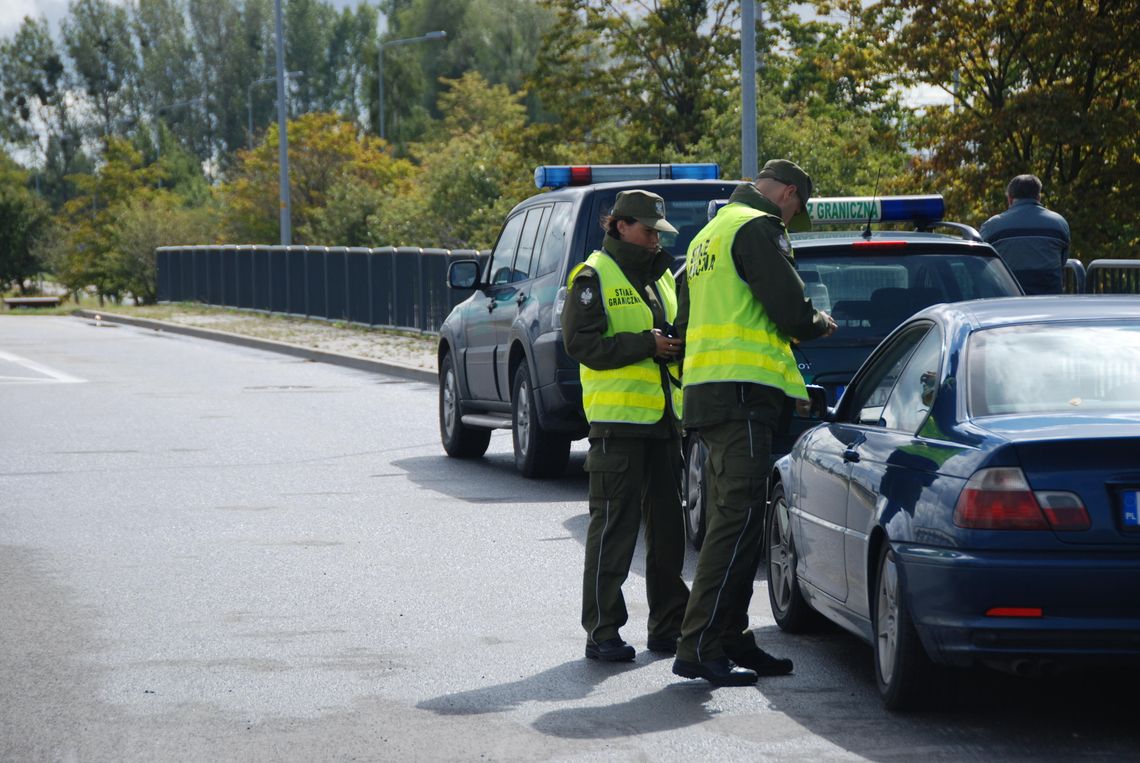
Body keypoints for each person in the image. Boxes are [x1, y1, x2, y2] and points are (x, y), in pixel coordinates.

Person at [672, 159, 837, 687]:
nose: (791, 218)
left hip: (711, 397)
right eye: (796, 208)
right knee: (737, 524)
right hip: (742, 399)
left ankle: (730, 638)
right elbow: (790, 311)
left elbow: (681, 321)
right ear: (788, 192)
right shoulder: (757, 227)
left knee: (736, 525)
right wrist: (821, 322)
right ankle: (699, 645)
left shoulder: (710, 233)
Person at [561, 189, 691, 662]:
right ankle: (602, 631)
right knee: (614, 529)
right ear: (619, 226)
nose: (656, 239)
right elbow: (581, 344)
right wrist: (646, 344)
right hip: (617, 425)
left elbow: (670, 337)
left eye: (660, 232)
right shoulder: (593, 276)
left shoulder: (661, 278)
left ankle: (667, 628)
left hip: (663, 421)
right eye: (649, 230)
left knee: (668, 533)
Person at [980, 174, 1071, 295]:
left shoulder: (992, 226)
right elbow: (1062, 261)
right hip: (1049, 300)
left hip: (1005, 300)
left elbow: (982, 265)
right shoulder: (1059, 224)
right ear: (1038, 197)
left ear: (1010, 198)